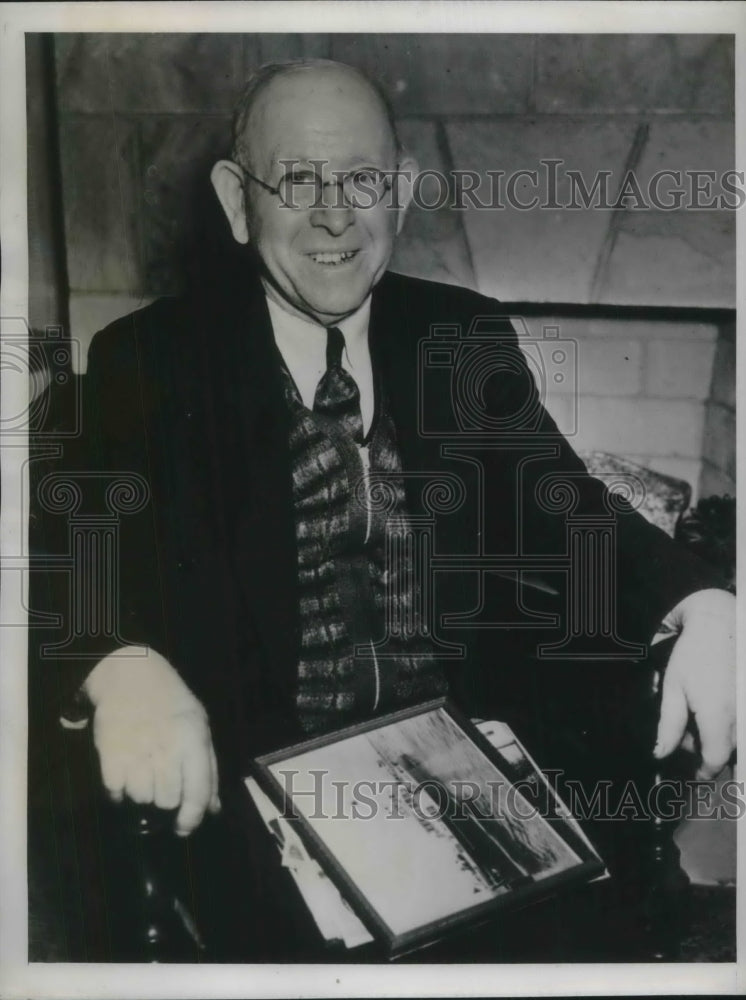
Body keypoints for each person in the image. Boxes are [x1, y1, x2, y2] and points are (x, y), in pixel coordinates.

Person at [35, 59, 736, 959]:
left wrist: (703, 601)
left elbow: (568, 506)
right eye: (297, 180)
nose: (335, 213)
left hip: (468, 763)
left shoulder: (463, 333)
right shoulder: (153, 358)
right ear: (236, 200)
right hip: (266, 794)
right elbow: (68, 551)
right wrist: (120, 662)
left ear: (399, 191)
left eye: (361, 178)